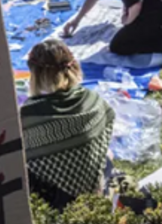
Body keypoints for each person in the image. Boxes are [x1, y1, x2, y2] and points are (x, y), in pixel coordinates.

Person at [19, 38, 116, 209]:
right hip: (97, 185)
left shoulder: (29, 114)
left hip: (62, 201)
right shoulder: (91, 98)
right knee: (108, 154)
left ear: (36, 74)